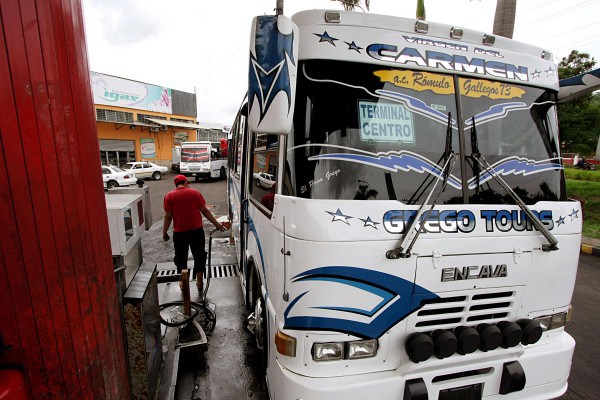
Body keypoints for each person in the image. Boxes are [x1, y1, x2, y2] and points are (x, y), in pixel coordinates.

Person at [162, 174, 228, 296]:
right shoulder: (195, 193)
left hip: (179, 233)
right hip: (197, 231)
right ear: (186, 182)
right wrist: (217, 225)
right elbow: (205, 211)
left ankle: (183, 285)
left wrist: (164, 232)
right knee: (199, 256)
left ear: (176, 184)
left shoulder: (169, 196)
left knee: (181, 258)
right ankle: (199, 282)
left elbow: (168, 216)